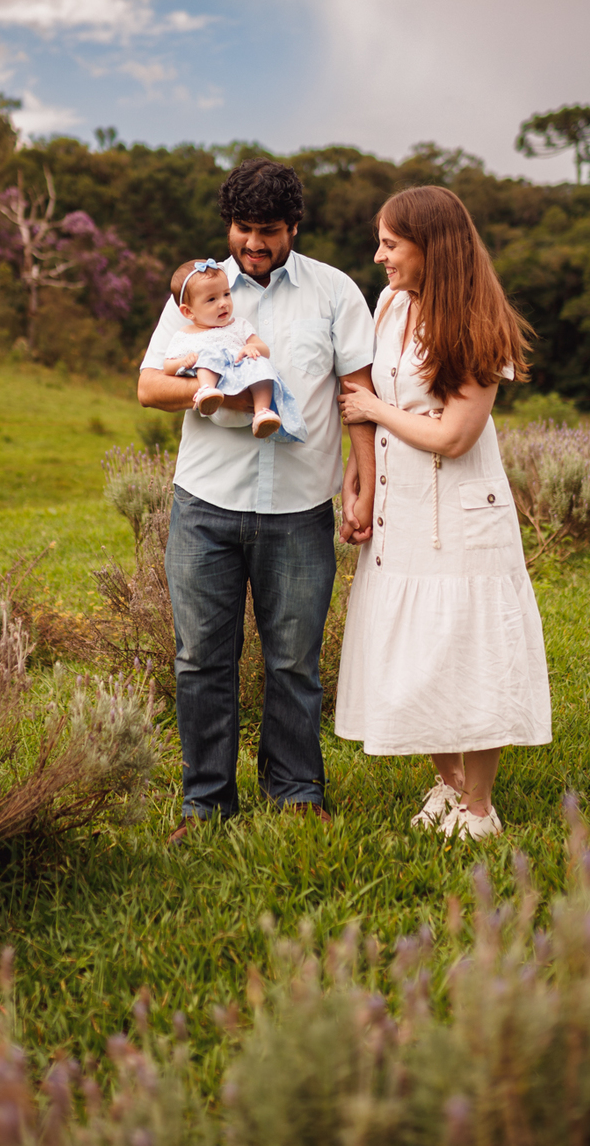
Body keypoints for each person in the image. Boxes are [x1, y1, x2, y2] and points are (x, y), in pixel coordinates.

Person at [138, 157, 376, 841]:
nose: (255, 244)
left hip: (300, 508)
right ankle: (205, 802)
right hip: (205, 504)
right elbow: (150, 386)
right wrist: (216, 390)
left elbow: (358, 397)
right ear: (229, 225)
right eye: (244, 229)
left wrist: (362, 480)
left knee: (294, 658)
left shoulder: (333, 293)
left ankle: (297, 790)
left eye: (269, 231)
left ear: (293, 227)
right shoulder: (196, 291)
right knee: (200, 657)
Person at [335, 185, 551, 842]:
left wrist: (374, 414)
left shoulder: (479, 323)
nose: (379, 257)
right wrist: (362, 478)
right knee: (411, 645)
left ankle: (480, 808)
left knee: (468, 647)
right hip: (403, 506)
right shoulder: (391, 304)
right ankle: (449, 782)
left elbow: (455, 435)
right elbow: (366, 387)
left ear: (433, 248)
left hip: (463, 512)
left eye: (391, 245)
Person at [163, 257, 306, 442]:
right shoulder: (185, 335)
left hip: (245, 388)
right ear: (189, 312)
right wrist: (184, 362)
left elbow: (264, 349)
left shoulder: (239, 325)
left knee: (261, 363)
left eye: (226, 294)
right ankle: (207, 392)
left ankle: (262, 413)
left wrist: (251, 347)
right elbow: (167, 367)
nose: (223, 303)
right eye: (212, 299)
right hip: (219, 403)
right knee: (208, 354)